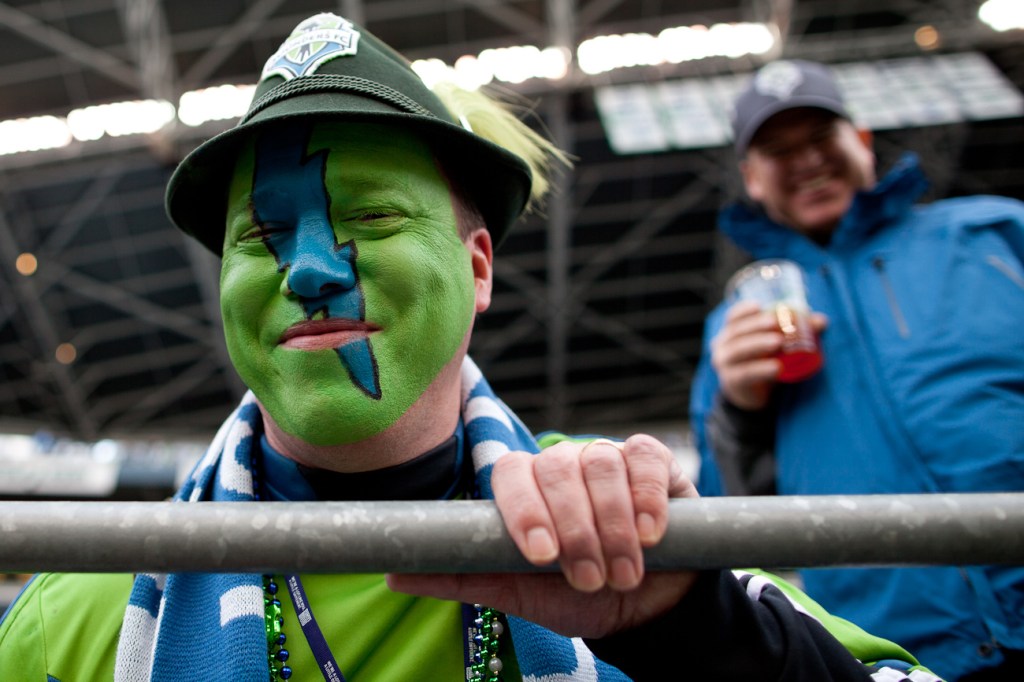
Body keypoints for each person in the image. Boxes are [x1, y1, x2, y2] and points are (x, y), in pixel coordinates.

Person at [0, 16, 942, 681]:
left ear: (479, 268)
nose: (312, 273)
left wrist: (689, 634)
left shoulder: (624, 533)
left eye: (370, 217)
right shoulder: (69, 608)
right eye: (260, 238)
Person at [690, 58, 1024, 681]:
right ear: (752, 179)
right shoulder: (735, 325)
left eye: (821, 137)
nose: (806, 160)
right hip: (901, 660)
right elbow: (727, 524)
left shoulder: (997, 234)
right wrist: (737, 407)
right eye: (776, 151)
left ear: (862, 140)